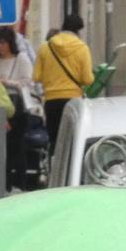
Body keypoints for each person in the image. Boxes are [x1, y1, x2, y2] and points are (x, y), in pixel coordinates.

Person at [34, 14, 95, 149]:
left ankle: (53, 165)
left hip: (51, 100)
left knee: (54, 140)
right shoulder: (82, 48)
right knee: (72, 141)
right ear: (78, 30)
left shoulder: (45, 47)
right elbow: (87, 79)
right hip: (73, 99)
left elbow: (36, 76)